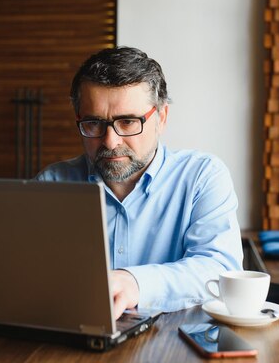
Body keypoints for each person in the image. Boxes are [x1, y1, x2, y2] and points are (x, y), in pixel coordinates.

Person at [36, 46, 243, 319]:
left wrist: (134, 283)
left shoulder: (202, 177)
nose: (110, 141)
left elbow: (219, 268)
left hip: (177, 346)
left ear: (162, 117)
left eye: (128, 122)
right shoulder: (52, 184)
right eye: (94, 123)